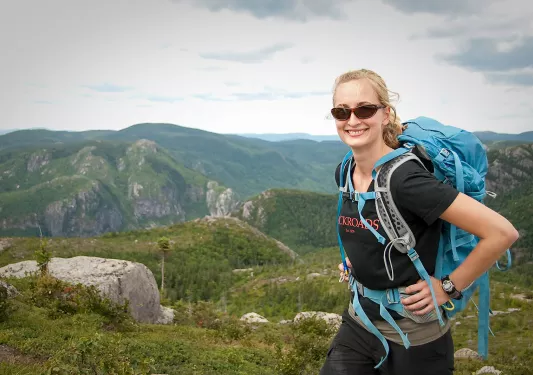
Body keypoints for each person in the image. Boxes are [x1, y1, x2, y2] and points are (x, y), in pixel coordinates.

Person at [319, 68, 519, 375]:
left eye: (365, 109)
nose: (353, 120)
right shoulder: (345, 171)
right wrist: (357, 259)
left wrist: (448, 288)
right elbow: (375, 228)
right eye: (341, 112)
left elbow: (501, 233)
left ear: (385, 114)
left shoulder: (406, 179)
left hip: (415, 338)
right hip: (360, 322)